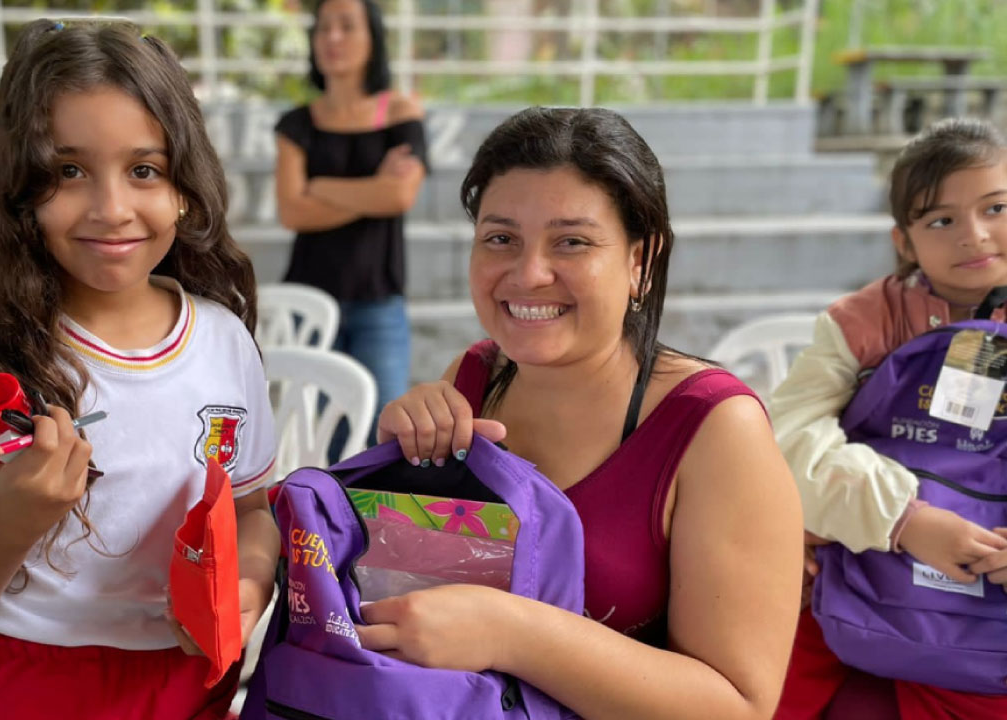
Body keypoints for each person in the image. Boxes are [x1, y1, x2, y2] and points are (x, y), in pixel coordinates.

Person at [358, 106, 804, 719]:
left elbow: (739, 707)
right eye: (500, 238)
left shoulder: (715, 428)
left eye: (572, 241)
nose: (529, 273)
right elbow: (413, 605)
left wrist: (514, 633)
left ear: (639, 262)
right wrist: (392, 471)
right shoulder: (471, 379)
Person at [0, 19, 278, 719]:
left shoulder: (223, 339)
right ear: (22, 191)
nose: (111, 210)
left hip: (194, 682)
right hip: (31, 687)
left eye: (144, 170)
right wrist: (8, 529)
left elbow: (253, 509)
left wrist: (248, 586)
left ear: (184, 190)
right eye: (69, 171)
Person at [772, 118, 1007, 718]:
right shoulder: (864, 323)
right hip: (858, 556)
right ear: (904, 242)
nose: (975, 236)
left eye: (996, 208)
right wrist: (903, 518)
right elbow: (785, 439)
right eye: (941, 220)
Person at [273, 0, 427, 449]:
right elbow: (292, 212)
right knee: (318, 439)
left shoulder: (401, 115)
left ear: (372, 37)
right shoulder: (296, 124)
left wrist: (319, 184)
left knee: (388, 436)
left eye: (346, 26)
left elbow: (399, 196)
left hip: (378, 301)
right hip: (310, 299)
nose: (333, 38)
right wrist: (371, 188)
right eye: (324, 28)